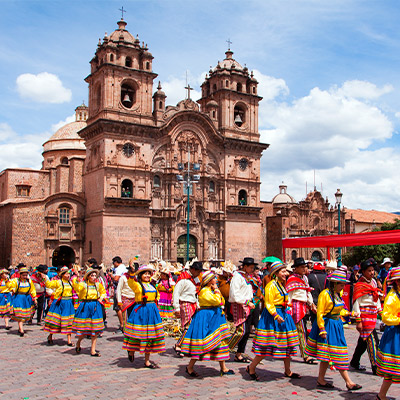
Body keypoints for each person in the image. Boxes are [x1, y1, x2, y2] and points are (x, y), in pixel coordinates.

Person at [305, 269, 362, 391]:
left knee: (328, 355)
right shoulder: (325, 294)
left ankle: (321, 379)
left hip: (336, 326)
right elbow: (320, 313)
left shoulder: (337, 294)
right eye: (341, 284)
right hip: (327, 326)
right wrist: (322, 329)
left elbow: (339, 310)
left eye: (343, 284)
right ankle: (348, 381)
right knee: (338, 354)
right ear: (334, 283)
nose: (343, 287)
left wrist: (350, 313)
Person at [247, 261, 300, 381]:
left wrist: (288, 305)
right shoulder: (271, 285)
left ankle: (288, 370)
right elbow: (269, 303)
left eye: (285, 271)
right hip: (272, 317)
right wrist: (275, 315)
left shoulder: (281, 284)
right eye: (283, 271)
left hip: (283, 314)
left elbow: (284, 299)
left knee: (288, 345)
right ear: (276, 273)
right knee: (266, 345)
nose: (286, 273)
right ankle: (252, 367)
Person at [181, 271, 234, 378]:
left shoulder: (212, 290)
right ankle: (190, 367)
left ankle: (223, 367)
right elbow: (217, 301)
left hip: (215, 318)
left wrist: (216, 291)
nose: (216, 280)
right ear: (210, 281)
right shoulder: (205, 291)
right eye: (214, 278)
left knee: (221, 342)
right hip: (207, 319)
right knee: (203, 343)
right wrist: (217, 291)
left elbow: (222, 301)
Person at [123, 265, 165, 368]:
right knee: (137, 333)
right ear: (140, 275)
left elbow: (157, 295)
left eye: (148, 274)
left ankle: (147, 360)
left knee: (150, 336)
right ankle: (131, 350)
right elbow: (130, 283)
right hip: (141, 311)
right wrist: (132, 271)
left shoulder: (152, 286)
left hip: (151, 311)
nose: (147, 276)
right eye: (145, 274)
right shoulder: (137, 285)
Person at [350, 259, 381, 374]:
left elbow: (375, 297)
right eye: (369, 271)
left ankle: (354, 361)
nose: (372, 273)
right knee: (373, 341)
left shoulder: (373, 282)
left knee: (363, 341)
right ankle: (375, 366)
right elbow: (356, 302)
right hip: (365, 317)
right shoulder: (359, 285)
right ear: (363, 271)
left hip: (372, 315)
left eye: (373, 270)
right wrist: (358, 320)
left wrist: (379, 310)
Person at [376, 265, 400, 400]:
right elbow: (385, 317)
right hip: (395, 335)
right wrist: (398, 320)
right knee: (392, 369)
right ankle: (382, 395)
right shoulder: (392, 296)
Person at [286, 257, 316, 364]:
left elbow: (307, 293)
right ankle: (305, 355)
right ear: (296, 268)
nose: (304, 269)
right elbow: (289, 296)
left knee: (302, 330)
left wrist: (311, 304)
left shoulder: (305, 279)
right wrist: (288, 309)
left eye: (305, 267)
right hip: (295, 308)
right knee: (301, 331)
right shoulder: (291, 279)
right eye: (302, 267)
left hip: (303, 307)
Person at [227, 257, 257, 362]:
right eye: (251, 267)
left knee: (247, 331)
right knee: (241, 331)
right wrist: (247, 302)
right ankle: (225, 349)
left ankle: (239, 354)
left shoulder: (247, 277)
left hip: (248, 306)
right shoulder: (237, 277)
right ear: (245, 267)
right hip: (240, 306)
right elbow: (234, 294)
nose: (253, 269)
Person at [72, 268, 106, 356]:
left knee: (95, 329)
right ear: (88, 277)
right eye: (92, 276)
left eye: (95, 276)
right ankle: (79, 342)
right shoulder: (83, 284)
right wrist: (76, 277)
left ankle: (93, 350)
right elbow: (76, 287)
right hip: (86, 306)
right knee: (83, 329)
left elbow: (103, 292)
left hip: (95, 306)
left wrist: (100, 298)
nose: (94, 277)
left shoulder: (98, 285)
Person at [172, 261, 203, 356]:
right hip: (185, 303)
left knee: (194, 326)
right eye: (198, 271)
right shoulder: (183, 279)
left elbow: (196, 293)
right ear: (192, 269)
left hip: (193, 304)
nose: (199, 273)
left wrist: (198, 304)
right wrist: (176, 307)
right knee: (187, 326)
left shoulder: (196, 280)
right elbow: (176, 293)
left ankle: (187, 347)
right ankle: (179, 345)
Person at [43, 266, 75, 346]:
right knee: (55, 321)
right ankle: (50, 336)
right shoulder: (58, 282)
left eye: (69, 274)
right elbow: (49, 285)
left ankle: (69, 340)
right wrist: (45, 278)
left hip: (68, 303)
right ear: (62, 275)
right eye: (66, 274)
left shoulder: (70, 283)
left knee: (69, 322)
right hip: (59, 303)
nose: (68, 276)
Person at [6, 266, 37, 336]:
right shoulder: (16, 281)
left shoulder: (29, 281)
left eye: (26, 275)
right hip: (18, 298)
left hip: (26, 299)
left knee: (24, 315)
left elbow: (32, 290)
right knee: (20, 314)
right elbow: (10, 286)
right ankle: (21, 329)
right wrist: (7, 281)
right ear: (20, 275)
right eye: (23, 275)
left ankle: (20, 328)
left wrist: (34, 298)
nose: (25, 276)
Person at [115, 261, 136, 326]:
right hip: (125, 299)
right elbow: (119, 289)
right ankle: (126, 332)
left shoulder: (137, 278)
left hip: (135, 299)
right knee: (126, 318)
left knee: (134, 318)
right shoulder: (123, 277)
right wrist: (119, 301)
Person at [111, 256, 127, 331]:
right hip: (124, 290)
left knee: (118, 308)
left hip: (119, 290)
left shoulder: (119, 269)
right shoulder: (124, 267)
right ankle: (124, 324)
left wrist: (111, 276)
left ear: (116, 262)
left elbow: (116, 278)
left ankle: (122, 325)